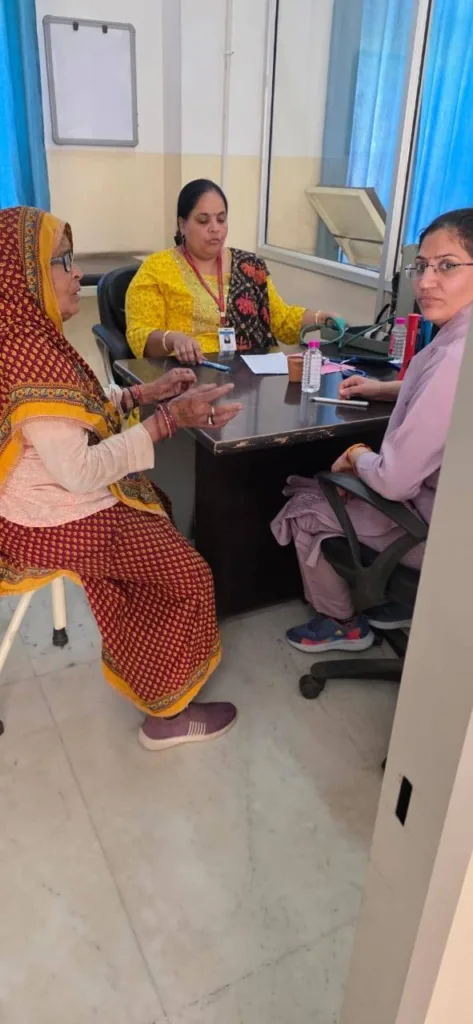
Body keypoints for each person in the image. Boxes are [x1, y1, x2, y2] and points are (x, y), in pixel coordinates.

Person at [0, 205, 243, 750]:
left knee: (155, 511)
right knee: (187, 576)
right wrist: (166, 421)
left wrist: (140, 393)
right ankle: (168, 715)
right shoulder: (30, 357)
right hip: (51, 517)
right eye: (63, 262)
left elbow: (76, 412)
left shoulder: (22, 334)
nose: (76, 274)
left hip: (38, 499)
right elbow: (79, 470)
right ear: (28, 274)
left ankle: (145, 661)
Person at [271, 207, 473, 652]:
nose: (426, 282)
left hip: (441, 536)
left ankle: (342, 624)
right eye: (422, 266)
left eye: (447, 266)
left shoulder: (456, 356)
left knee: (306, 506)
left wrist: (356, 455)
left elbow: (395, 480)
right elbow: (446, 396)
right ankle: (394, 601)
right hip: (456, 521)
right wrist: (386, 389)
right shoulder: (461, 338)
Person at [125, 178, 345, 363]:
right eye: (203, 221)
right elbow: (139, 335)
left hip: (251, 378)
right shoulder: (157, 269)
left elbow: (281, 319)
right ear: (182, 225)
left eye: (221, 219)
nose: (215, 228)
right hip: (188, 378)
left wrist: (321, 318)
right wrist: (173, 339)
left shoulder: (250, 266)